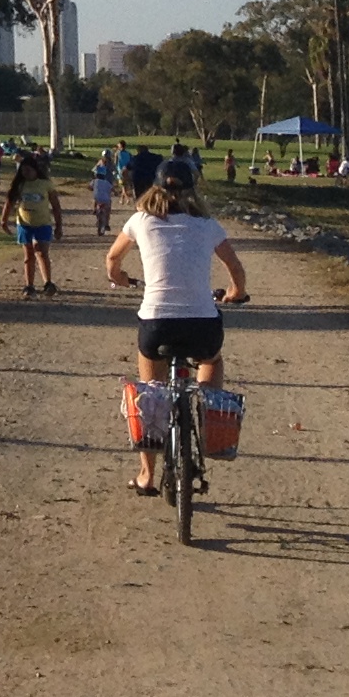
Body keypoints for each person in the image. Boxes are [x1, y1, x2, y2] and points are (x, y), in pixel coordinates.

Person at [105, 162, 250, 495]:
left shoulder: (140, 221)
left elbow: (112, 261)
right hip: (202, 324)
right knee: (211, 360)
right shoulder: (207, 224)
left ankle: (146, 475)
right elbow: (236, 269)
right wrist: (235, 293)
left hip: (156, 325)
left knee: (151, 390)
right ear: (192, 191)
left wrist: (122, 280)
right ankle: (206, 410)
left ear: (155, 189)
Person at [6, 151, 64, 295]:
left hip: (43, 223)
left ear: (35, 170)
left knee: (42, 252)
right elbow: (9, 202)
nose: (26, 173)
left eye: (29, 170)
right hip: (24, 223)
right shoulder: (20, 185)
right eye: (23, 170)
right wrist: (4, 219)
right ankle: (29, 285)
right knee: (29, 255)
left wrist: (59, 226)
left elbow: (56, 206)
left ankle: (48, 283)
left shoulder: (45, 184)